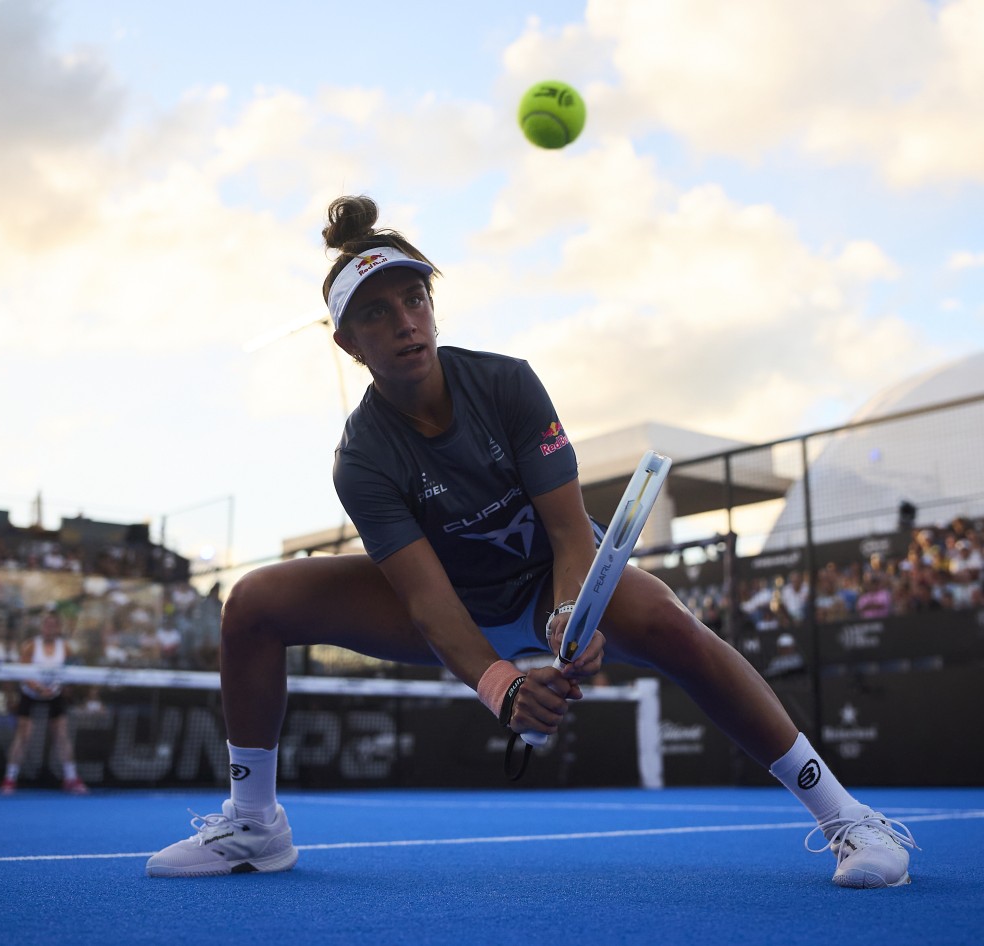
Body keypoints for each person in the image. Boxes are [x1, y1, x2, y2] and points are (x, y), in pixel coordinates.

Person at [147, 195, 917, 887]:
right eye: (377, 314)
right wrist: (501, 686)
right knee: (252, 602)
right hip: (458, 607)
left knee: (677, 630)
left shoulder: (508, 384)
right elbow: (425, 600)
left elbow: (568, 531)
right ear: (348, 344)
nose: (404, 321)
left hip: (553, 579)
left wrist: (568, 621)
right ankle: (255, 825)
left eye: (414, 298)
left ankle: (847, 817)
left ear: (434, 309)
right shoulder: (361, 459)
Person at [0, 605, 89, 795]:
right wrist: (39, 688)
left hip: (54, 694)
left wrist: (59, 689)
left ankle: (71, 778)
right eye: (46, 625)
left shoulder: (65, 647)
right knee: (23, 735)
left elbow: (70, 672)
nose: (49, 628)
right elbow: (23, 673)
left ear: (58, 628)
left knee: (62, 736)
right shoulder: (31, 646)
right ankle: (9, 779)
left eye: (53, 625)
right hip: (31, 694)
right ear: (42, 627)